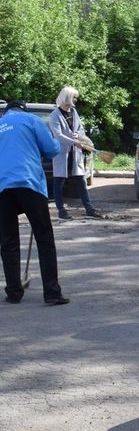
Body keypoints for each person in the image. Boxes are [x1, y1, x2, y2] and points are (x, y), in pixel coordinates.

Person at [0, 100, 70, 305]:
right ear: (23, 109)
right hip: (30, 183)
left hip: (3, 188)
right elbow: (52, 148)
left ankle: (13, 292)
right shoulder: (31, 120)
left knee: (8, 241)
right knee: (44, 237)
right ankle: (52, 293)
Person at [49, 86, 102, 220]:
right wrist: (74, 142)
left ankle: (89, 209)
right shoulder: (55, 114)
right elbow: (58, 135)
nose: (76, 100)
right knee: (59, 182)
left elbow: (81, 129)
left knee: (81, 181)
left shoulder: (74, 112)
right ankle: (61, 211)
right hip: (62, 153)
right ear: (67, 97)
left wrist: (79, 134)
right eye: (74, 97)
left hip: (75, 154)